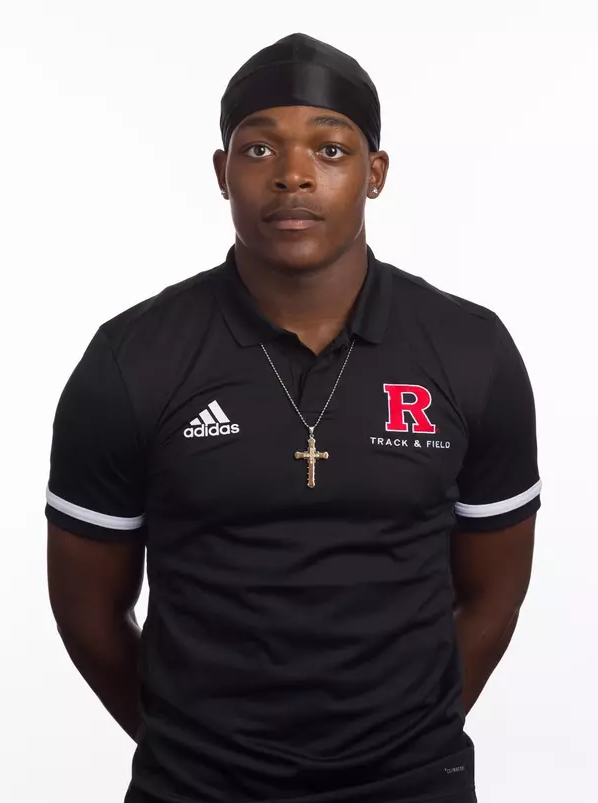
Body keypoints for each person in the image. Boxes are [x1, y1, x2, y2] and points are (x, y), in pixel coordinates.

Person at [45, 32, 541, 803]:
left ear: (375, 173)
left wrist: (406, 737)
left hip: (413, 784)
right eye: (258, 149)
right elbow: (88, 611)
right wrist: (193, 750)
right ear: (222, 172)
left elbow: (492, 595)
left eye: (331, 150)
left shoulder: (470, 349)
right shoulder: (132, 357)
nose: (293, 174)